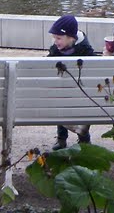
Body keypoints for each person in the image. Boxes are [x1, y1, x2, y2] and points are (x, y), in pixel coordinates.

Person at [47, 14, 95, 150]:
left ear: (71, 38)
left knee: (67, 100)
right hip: (65, 91)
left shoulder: (85, 50)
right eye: (54, 38)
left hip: (81, 91)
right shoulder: (56, 50)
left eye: (59, 38)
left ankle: (82, 137)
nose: (55, 41)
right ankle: (63, 138)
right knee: (62, 97)